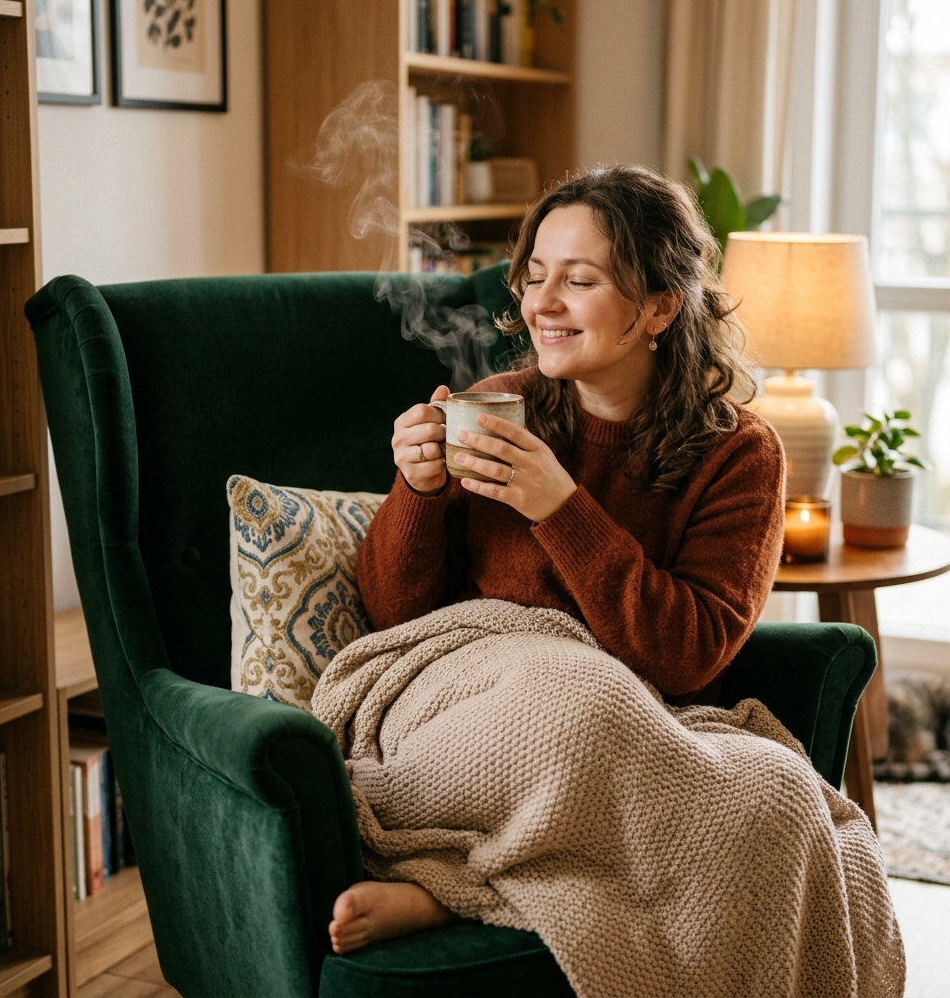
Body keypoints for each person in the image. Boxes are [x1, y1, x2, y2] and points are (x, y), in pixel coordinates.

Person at [328, 165, 785, 955]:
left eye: (578, 281)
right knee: (577, 705)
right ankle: (464, 884)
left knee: (779, 795)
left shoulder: (739, 453)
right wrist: (418, 491)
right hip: (465, 687)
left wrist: (560, 507)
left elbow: (686, 657)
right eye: (535, 276)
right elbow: (394, 616)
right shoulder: (496, 406)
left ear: (660, 307)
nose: (539, 304)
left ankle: (458, 890)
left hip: (631, 715)